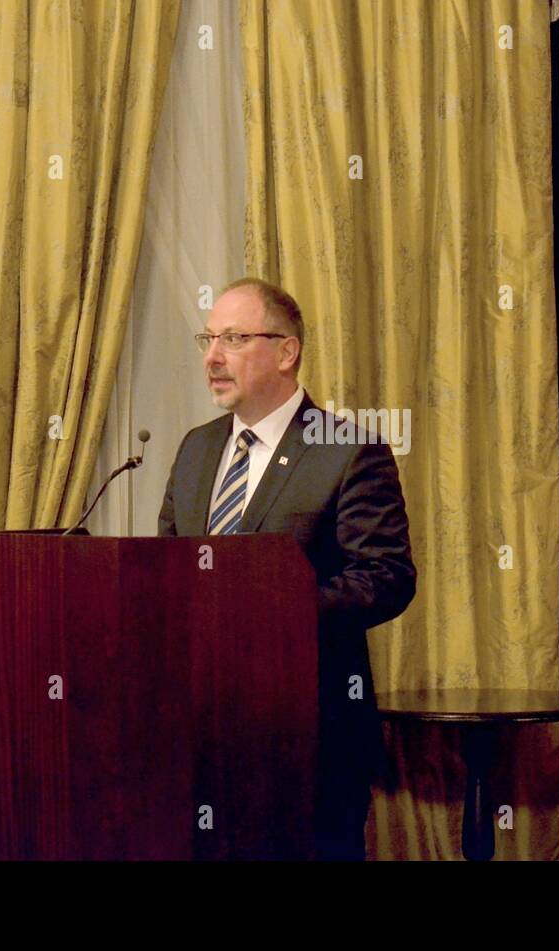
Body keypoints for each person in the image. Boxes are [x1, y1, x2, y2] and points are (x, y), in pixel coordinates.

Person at [158, 278, 415, 860]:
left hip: (308, 732)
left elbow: (385, 576)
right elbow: (170, 565)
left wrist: (270, 612)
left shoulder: (347, 449)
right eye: (208, 338)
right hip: (199, 733)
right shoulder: (196, 449)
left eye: (234, 338)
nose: (212, 357)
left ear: (286, 352)